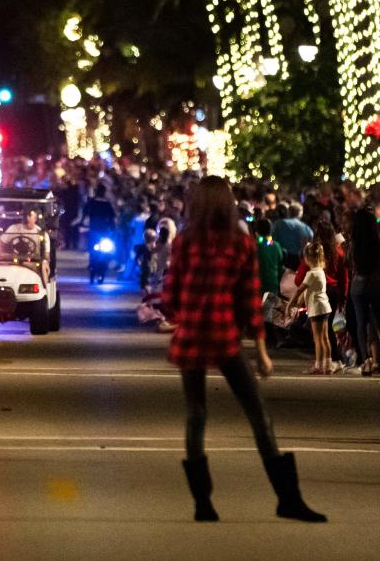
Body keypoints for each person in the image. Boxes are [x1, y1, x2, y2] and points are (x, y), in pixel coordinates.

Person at [162, 176, 325, 523]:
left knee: (196, 415)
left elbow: (169, 294)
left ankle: (202, 503)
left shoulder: (185, 241)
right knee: (257, 414)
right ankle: (287, 498)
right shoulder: (240, 243)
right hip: (224, 335)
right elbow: (250, 301)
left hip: (192, 335)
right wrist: (262, 350)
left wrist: (183, 312)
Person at [349, 207, 380, 376]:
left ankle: (366, 360)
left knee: (361, 323)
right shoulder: (377, 241)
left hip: (359, 283)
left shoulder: (355, 242)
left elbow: (350, 262)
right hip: (376, 282)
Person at [295, 241, 333, 374]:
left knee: (317, 338)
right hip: (324, 307)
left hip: (316, 309)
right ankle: (328, 365)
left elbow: (300, 290)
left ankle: (318, 366)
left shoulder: (310, 274)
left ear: (307, 258)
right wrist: (300, 302)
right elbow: (307, 291)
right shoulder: (320, 272)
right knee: (325, 337)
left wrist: (290, 304)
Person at [271, 201, 313, 270]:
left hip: (283, 259)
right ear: (300, 214)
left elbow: (273, 241)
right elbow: (311, 242)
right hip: (299, 260)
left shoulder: (279, 224)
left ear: (288, 212)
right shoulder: (306, 228)